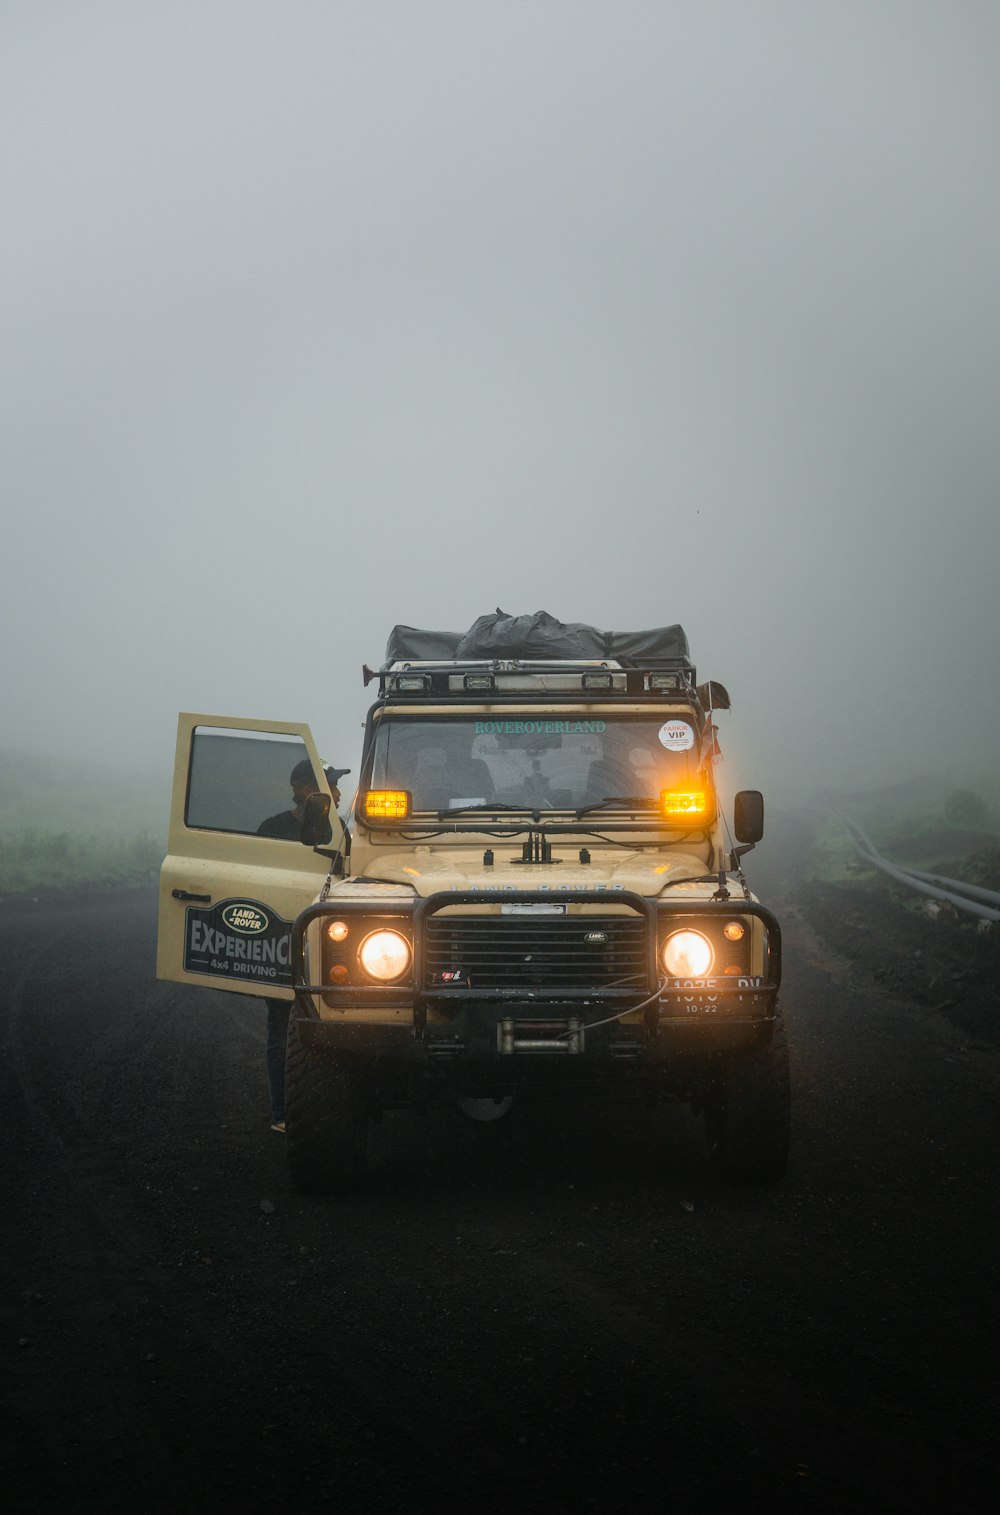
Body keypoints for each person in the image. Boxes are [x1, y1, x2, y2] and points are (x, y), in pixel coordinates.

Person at [258, 758, 350, 1132]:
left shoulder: (340, 830)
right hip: (281, 940)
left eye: (336, 784)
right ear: (300, 788)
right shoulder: (272, 830)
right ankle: (284, 1114)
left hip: (326, 944)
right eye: (328, 784)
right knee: (282, 1025)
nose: (338, 792)